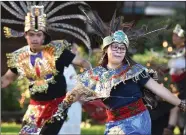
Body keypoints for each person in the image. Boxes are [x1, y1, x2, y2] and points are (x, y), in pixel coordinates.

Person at [51, 6, 186, 135]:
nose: (118, 50)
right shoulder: (95, 75)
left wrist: (180, 104)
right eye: (115, 47)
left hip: (138, 121)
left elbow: (158, 89)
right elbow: (76, 92)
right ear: (106, 50)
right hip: (114, 123)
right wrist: (63, 106)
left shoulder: (135, 71)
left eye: (122, 48)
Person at [1, 2, 91, 135]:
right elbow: (7, 78)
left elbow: (84, 63)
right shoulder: (20, 56)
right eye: (31, 34)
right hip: (34, 107)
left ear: (44, 37)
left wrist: (85, 86)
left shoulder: (56, 51)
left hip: (57, 106)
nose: (35, 38)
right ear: (25, 35)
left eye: (39, 35)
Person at [163, 24, 186, 135]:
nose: (174, 38)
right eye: (173, 36)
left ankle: (170, 130)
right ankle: (180, 131)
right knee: (175, 108)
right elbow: (170, 68)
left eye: (177, 36)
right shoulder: (174, 51)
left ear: (183, 38)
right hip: (178, 88)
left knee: (175, 108)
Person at [59, 43, 82, 134]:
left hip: (76, 102)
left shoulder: (71, 67)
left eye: (77, 51)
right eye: (74, 50)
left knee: (73, 126)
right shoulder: (63, 67)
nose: (76, 53)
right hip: (66, 100)